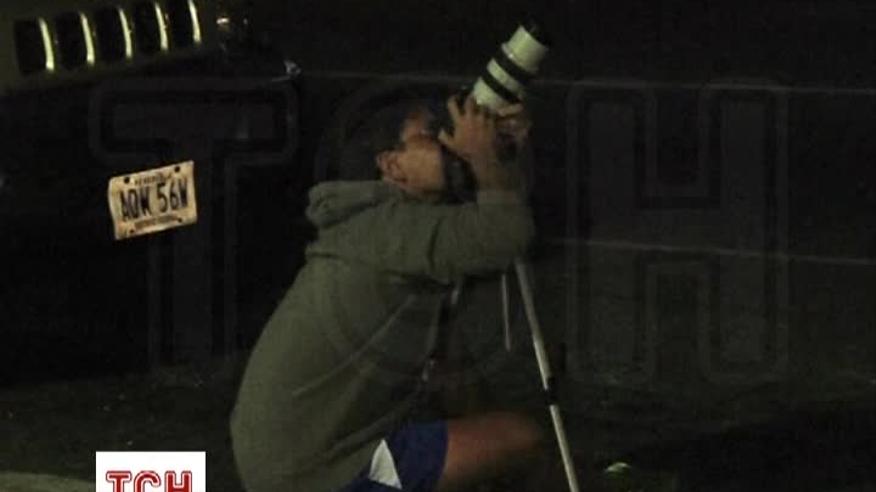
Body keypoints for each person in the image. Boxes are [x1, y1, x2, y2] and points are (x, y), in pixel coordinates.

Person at [230, 92, 544, 492]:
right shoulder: (393, 230)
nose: (446, 140)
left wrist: (499, 154)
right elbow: (505, 233)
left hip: (292, 451)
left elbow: (497, 210)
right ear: (392, 165)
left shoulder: (379, 223)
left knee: (459, 379)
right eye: (428, 134)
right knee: (524, 439)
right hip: (319, 470)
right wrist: (484, 158)